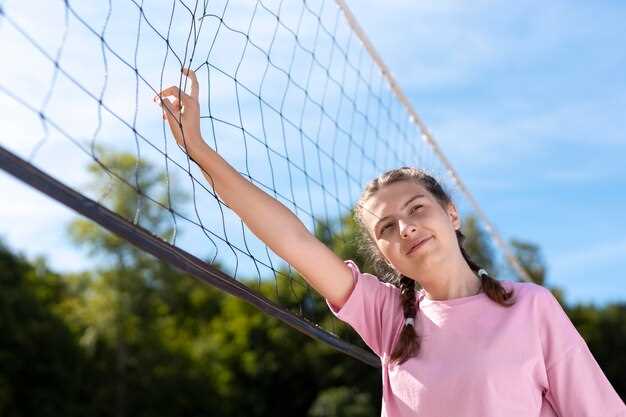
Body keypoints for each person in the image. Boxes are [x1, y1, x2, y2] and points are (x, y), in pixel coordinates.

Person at [155, 68, 626, 417]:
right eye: (386, 228)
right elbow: (292, 240)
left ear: (451, 214)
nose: (405, 228)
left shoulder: (530, 307)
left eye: (417, 209)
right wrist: (197, 148)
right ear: (383, 254)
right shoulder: (390, 319)